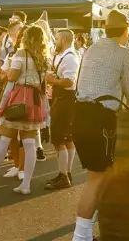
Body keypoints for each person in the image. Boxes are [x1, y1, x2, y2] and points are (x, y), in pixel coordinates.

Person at [69, 10, 129, 241]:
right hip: (100, 118)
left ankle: (87, 232)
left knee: (100, 175)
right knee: (97, 178)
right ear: (125, 31)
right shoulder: (124, 53)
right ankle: (80, 236)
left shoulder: (92, 48)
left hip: (80, 113)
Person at [0, 25, 51, 196]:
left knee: (4, 139)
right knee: (29, 142)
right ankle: (26, 184)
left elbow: (11, 76)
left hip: (21, 96)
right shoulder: (43, 57)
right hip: (35, 99)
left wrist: (7, 67)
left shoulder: (21, 54)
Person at [44, 29, 80, 190]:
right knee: (67, 139)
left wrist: (52, 80)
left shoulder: (70, 58)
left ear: (64, 40)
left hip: (66, 100)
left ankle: (64, 175)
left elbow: (69, 82)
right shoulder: (65, 55)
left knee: (59, 139)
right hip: (64, 100)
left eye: (57, 38)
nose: (55, 41)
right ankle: (66, 172)